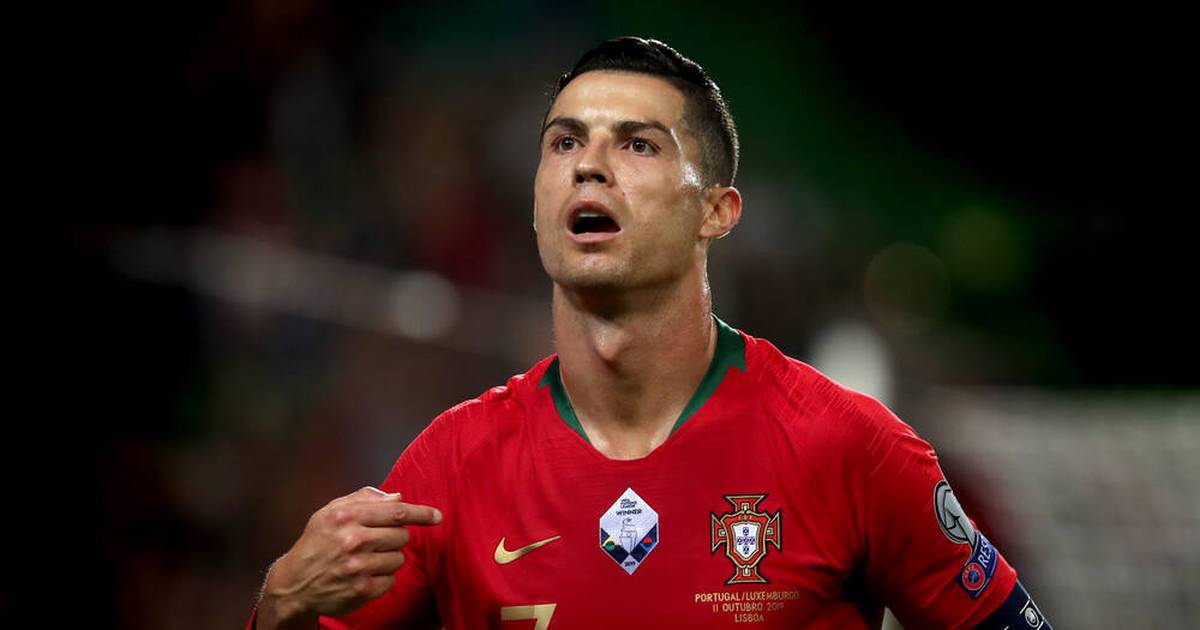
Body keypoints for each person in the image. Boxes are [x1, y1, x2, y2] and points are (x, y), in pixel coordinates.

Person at [251, 37, 1053, 629]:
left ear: (716, 212)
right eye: (565, 142)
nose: (588, 165)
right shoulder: (451, 467)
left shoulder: (850, 448)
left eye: (637, 144)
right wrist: (281, 606)